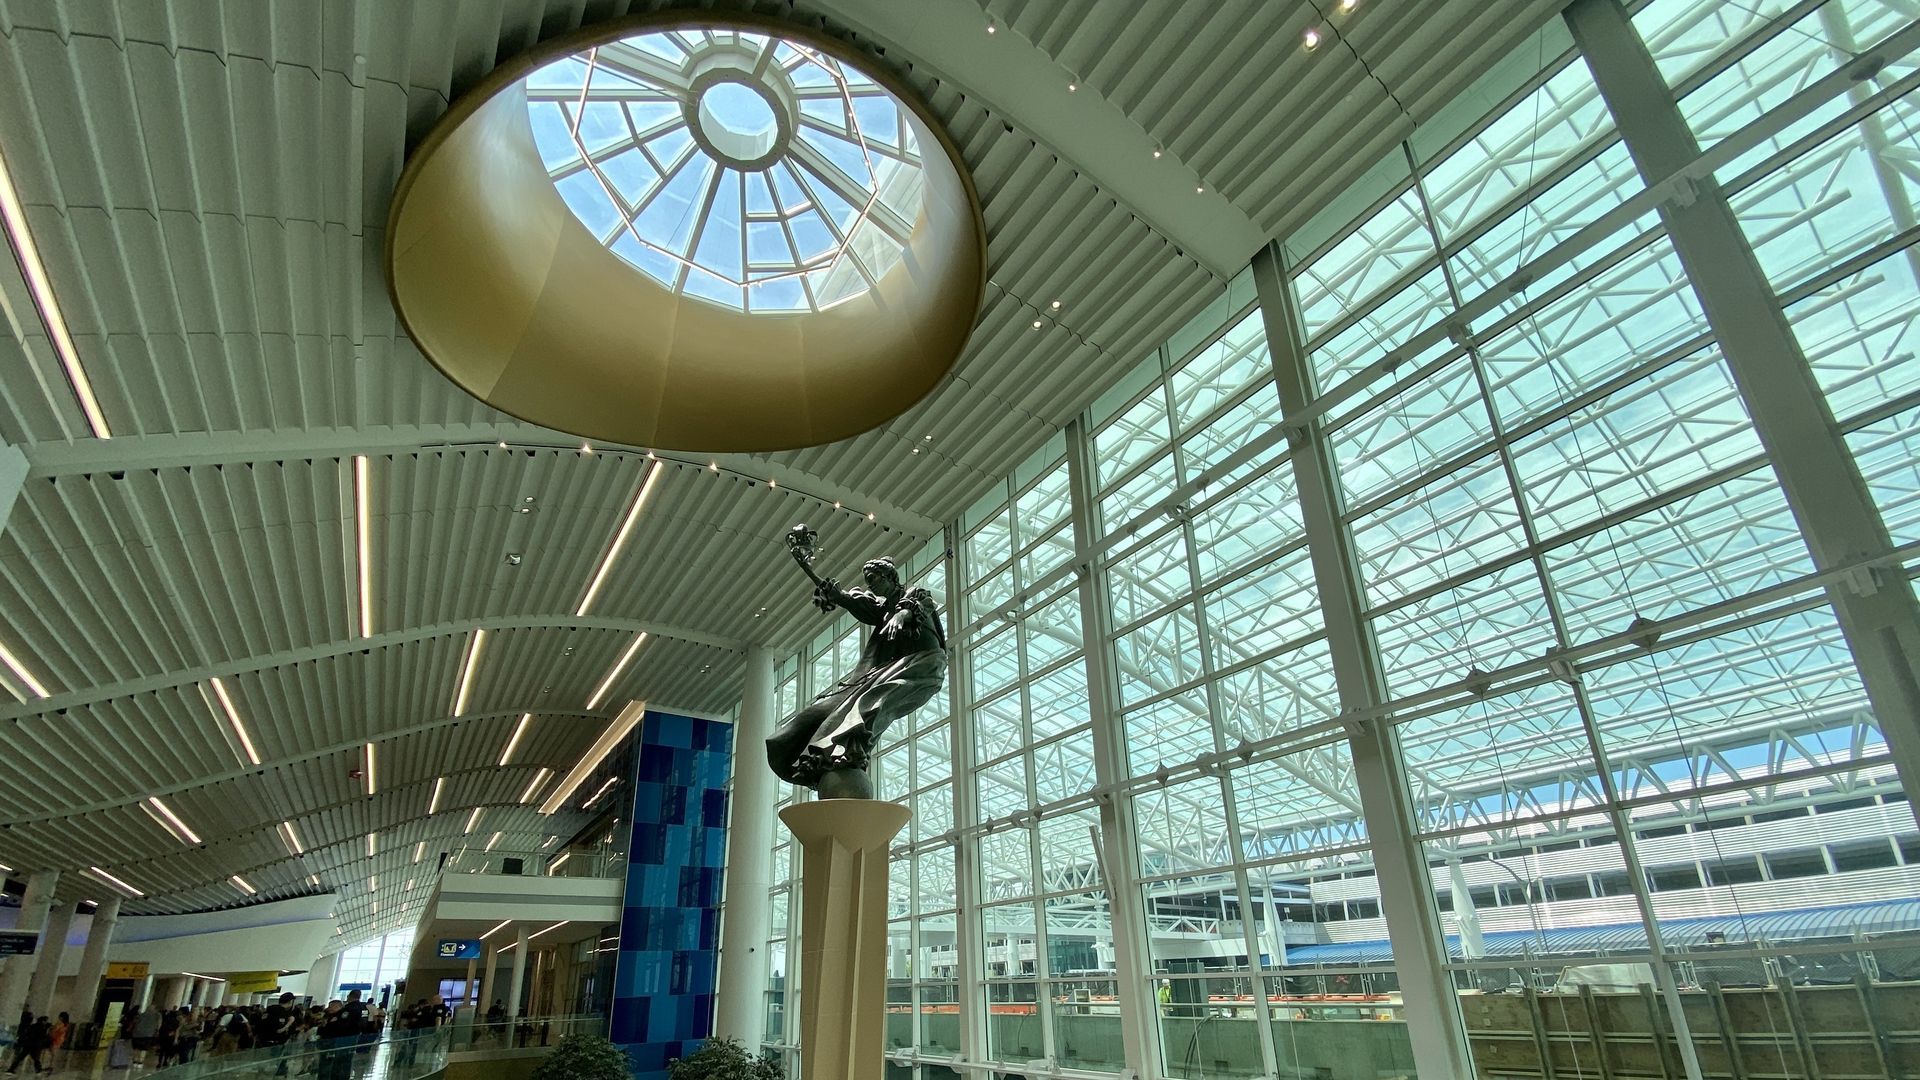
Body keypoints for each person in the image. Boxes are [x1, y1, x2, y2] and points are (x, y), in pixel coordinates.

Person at [766, 537, 947, 799]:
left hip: (924, 665)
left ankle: (846, 750)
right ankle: (818, 757)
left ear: (890, 576)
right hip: (888, 670)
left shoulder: (911, 596)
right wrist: (807, 568)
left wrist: (903, 614)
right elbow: (847, 599)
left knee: (868, 705)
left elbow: (919, 604)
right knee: (823, 711)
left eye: (874, 578)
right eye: (868, 580)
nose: (871, 584)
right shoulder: (883, 609)